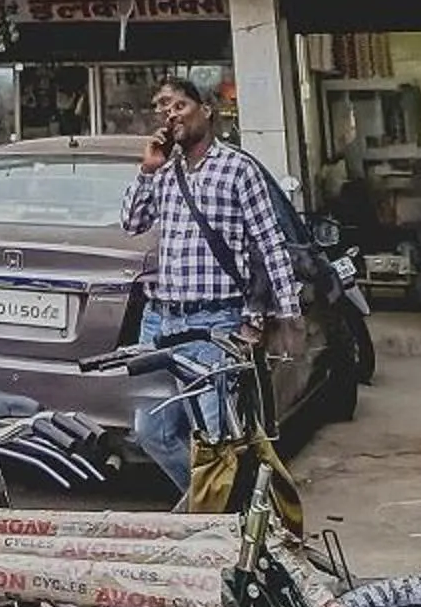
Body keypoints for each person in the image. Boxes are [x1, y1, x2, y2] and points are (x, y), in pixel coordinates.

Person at [119, 70, 303, 495]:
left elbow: (268, 244)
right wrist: (147, 170)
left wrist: (284, 315)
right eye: (163, 108)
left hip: (214, 325)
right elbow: (132, 223)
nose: (170, 115)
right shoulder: (165, 172)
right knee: (153, 431)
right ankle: (214, 506)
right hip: (161, 326)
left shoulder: (238, 169)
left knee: (217, 439)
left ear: (207, 111)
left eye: (180, 105)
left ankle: (220, 519)